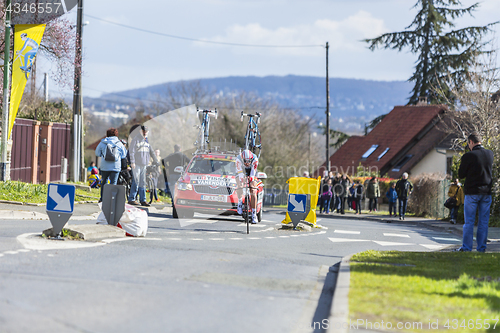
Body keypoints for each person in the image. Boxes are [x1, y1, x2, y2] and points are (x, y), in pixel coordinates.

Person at [456, 133, 493, 252]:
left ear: (471, 142)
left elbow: (461, 174)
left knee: (469, 222)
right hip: (486, 192)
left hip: (472, 192)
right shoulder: (490, 154)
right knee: (483, 222)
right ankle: (481, 248)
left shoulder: (469, 156)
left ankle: (467, 248)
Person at [128, 125, 158, 207]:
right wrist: (132, 162)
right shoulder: (135, 140)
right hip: (137, 164)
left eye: (146, 131)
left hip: (144, 164)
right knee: (136, 181)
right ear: (140, 131)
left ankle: (143, 200)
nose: (145, 133)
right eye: (143, 131)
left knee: (142, 183)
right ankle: (131, 199)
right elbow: (132, 152)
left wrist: (156, 160)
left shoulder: (146, 141)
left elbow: (151, 151)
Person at [94, 128, 127, 202]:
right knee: (113, 183)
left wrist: (103, 155)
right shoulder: (119, 143)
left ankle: (102, 199)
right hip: (115, 166)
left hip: (104, 166)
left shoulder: (103, 142)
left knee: (104, 182)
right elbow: (124, 155)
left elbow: (97, 153)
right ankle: (112, 200)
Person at [235, 149, 260, 224]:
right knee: (240, 184)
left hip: (251, 171)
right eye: (245, 161)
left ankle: (254, 214)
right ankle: (240, 202)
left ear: (251, 159)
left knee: (253, 190)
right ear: (242, 159)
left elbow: (252, 174)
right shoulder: (238, 159)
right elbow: (240, 174)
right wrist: (242, 179)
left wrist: (250, 179)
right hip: (241, 171)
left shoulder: (255, 159)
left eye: (249, 161)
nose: (247, 163)